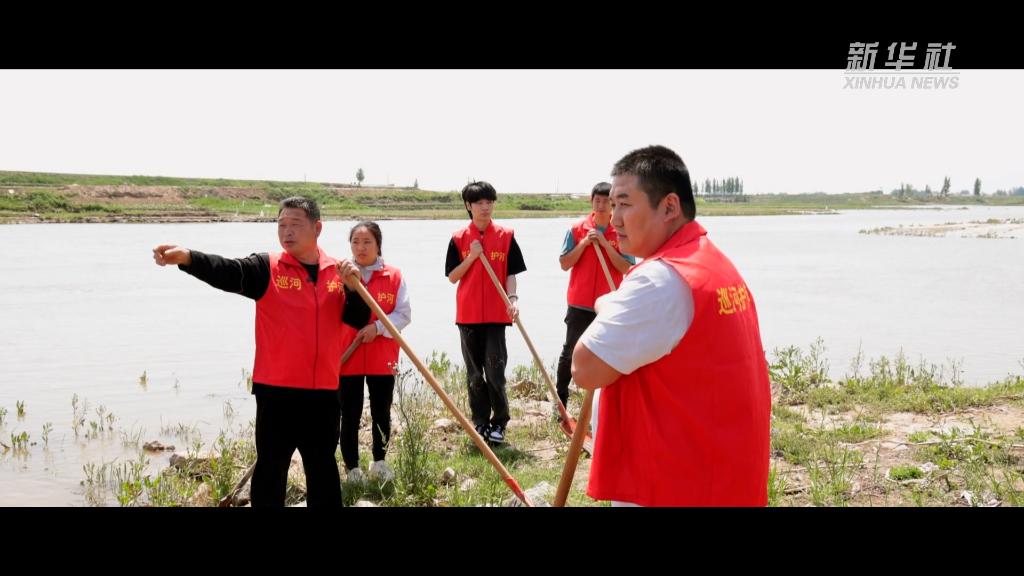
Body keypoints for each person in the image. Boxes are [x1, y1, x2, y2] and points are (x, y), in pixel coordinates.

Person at [572, 145, 771, 506]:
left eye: (624, 204)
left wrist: (606, 305)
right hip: (715, 474)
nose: (614, 220)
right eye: (612, 205)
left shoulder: (660, 279)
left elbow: (584, 369)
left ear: (669, 207)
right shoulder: (712, 264)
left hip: (670, 480)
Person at [152, 196, 354, 508]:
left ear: (317, 228)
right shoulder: (267, 268)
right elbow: (227, 271)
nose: (286, 231)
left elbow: (358, 319)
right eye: (281, 225)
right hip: (277, 393)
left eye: (295, 224)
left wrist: (352, 288)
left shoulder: (338, 273)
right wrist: (189, 258)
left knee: (323, 471)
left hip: (324, 394)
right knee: (271, 471)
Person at [444, 181, 526, 445]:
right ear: (468, 206)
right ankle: (480, 422)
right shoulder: (458, 238)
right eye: (479, 202)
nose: (485, 207)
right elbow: (452, 277)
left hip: (496, 315)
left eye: (489, 202)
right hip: (467, 316)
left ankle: (499, 422)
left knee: (495, 372)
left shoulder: (506, 235)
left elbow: (511, 274)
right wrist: (471, 257)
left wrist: (513, 299)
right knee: (475, 376)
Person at [337, 221, 411, 485]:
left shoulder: (394, 276)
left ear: (378, 245)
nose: (361, 247)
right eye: (355, 242)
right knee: (349, 414)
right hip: (348, 356)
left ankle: (379, 462)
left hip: (382, 356)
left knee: (381, 411)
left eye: (367, 241)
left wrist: (377, 328)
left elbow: (403, 315)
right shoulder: (341, 275)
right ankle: (352, 469)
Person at [554, 181, 634, 413]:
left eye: (606, 202)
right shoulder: (577, 229)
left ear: (613, 205)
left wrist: (605, 245)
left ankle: (603, 407)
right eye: (597, 201)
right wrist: (584, 243)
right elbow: (564, 263)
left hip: (608, 304)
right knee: (570, 351)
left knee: (607, 354)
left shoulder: (622, 231)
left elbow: (627, 267)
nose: (601, 206)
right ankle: (560, 402)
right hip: (579, 303)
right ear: (591, 202)